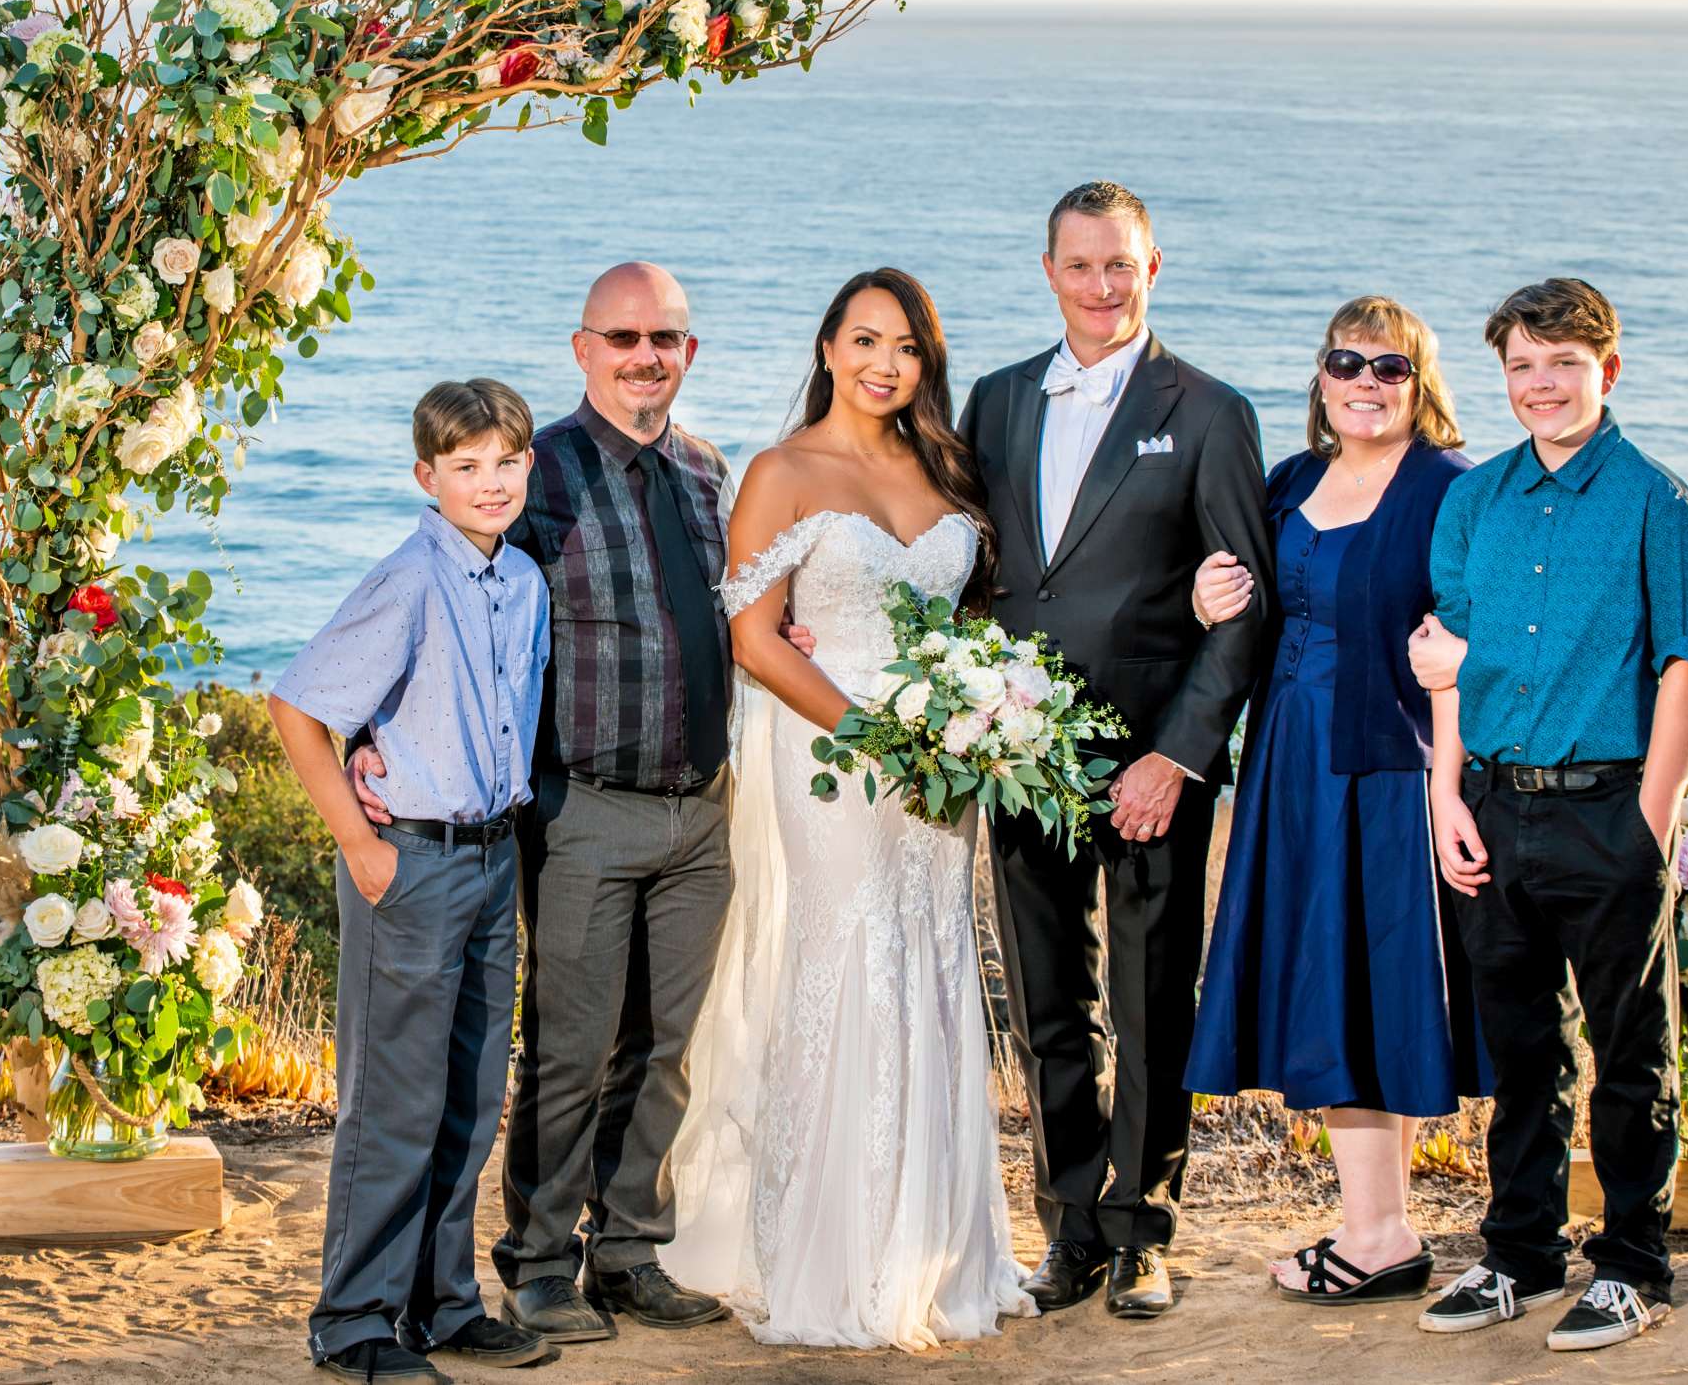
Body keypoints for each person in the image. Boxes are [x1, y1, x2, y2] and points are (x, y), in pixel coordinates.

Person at [350, 264, 761, 1344]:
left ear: (689, 352)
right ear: (584, 349)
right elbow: (454, 610)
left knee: (667, 1049)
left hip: (702, 813)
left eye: (665, 337)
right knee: (570, 1051)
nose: (646, 355)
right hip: (583, 810)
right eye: (623, 336)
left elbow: (732, 618)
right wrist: (365, 739)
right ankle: (539, 1265)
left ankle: (630, 1253)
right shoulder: (543, 479)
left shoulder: (713, 474)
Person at [662, 268, 1035, 1350]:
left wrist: (975, 721)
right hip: (837, 759)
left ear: (928, 362)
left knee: (932, 963)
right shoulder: (783, 472)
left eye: (906, 347)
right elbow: (754, 638)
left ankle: (937, 1250)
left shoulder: (946, 467)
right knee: (851, 963)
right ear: (829, 346)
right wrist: (880, 738)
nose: (884, 364)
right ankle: (832, 1251)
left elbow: (969, 616)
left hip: (943, 766)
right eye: (865, 341)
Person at [955, 182, 1275, 1320]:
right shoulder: (993, 402)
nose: (1102, 287)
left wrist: (1178, 757)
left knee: (1149, 1008)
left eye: (1122, 267)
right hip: (1017, 756)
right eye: (1082, 266)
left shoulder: (1210, 410)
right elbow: (967, 567)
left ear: (1154, 270)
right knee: (1048, 1006)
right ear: (1048, 271)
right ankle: (1072, 1229)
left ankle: (1145, 1231)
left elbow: (1245, 605)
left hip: (1148, 769)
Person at [1415, 278, 1688, 1353]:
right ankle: (1521, 1257)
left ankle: (1635, 1266)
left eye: (1563, 365)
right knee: (1519, 1053)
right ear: (1502, 376)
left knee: (1631, 1055)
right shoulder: (1475, 501)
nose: (1541, 385)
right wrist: (1446, 793)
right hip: (1494, 806)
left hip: (1609, 814)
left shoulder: (1656, 500)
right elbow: (1444, 662)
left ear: (1609, 370)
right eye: (1522, 367)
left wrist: (1651, 819)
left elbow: (1685, 671)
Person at [1182, 297, 1491, 1305]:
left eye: (1390, 368)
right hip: (1290, 761)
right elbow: (1248, 607)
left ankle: (1377, 1238)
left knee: (1366, 990)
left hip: (1389, 772)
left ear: (1420, 385)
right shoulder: (1290, 482)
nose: (1366, 381)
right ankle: (1382, 1228)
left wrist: (1452, 775)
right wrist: (1204, 600)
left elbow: (1484, 634)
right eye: (1346, 362)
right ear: (1320, 377)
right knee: (1325, 983)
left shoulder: (1449, 489)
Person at [266, 380, 557, 1383]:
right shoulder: (407, 579)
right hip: (414, 864)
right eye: (464, 466)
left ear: (528, 465)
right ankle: (354, 1321)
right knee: (393, 1103)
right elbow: (298, 707)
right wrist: (360, 841)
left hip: (491, 858)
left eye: (505, 462)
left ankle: (443, 1303)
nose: (489, 482)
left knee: (471, 1097)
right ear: (425, 477)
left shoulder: (521, 584)